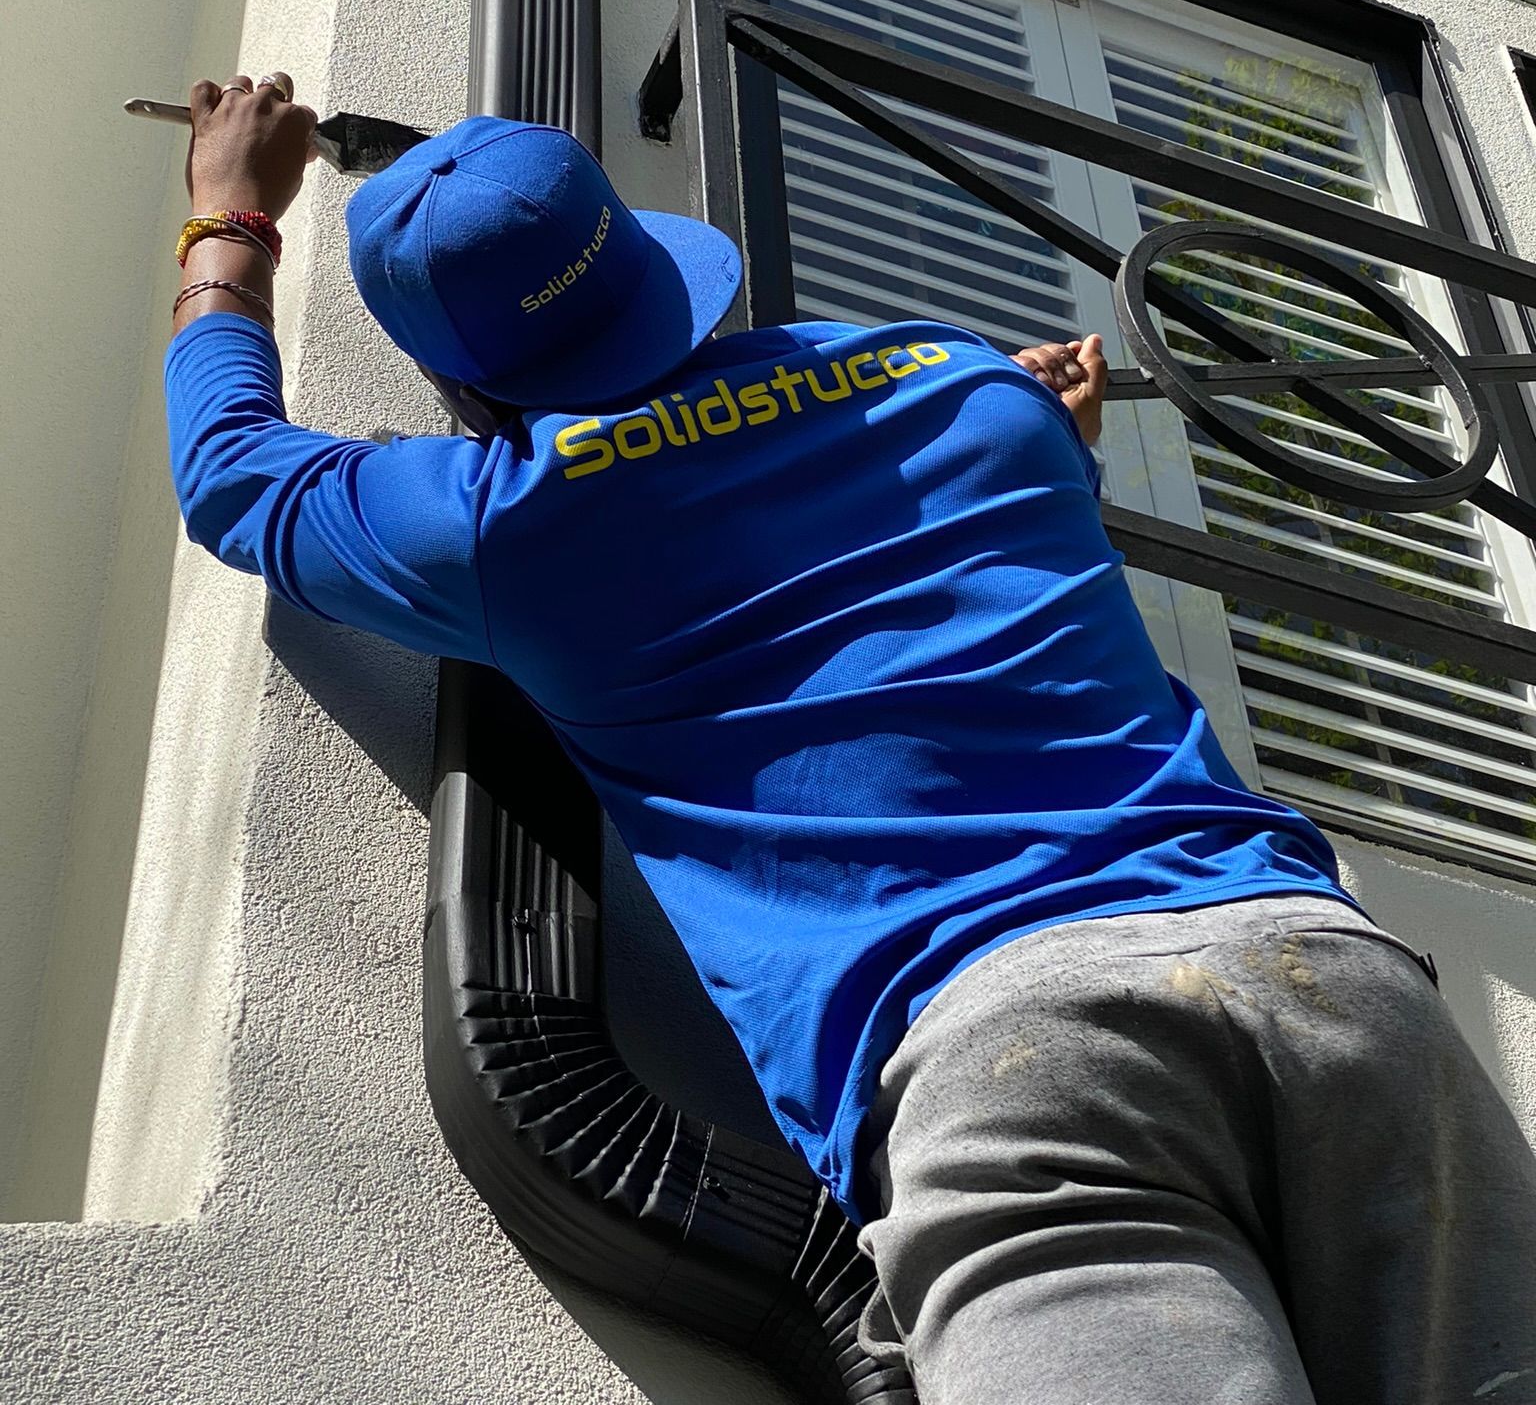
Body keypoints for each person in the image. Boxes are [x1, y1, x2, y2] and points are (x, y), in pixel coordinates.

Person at [165, 73, 1536, 1405]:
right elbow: (1003, 490)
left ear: (453, 378)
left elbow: (231, 473)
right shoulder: (966, 382)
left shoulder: (501, 523)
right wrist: (1046, 437)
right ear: (652, 265)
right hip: (1327, 978)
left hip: (1022, 1063)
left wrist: (231, 214)